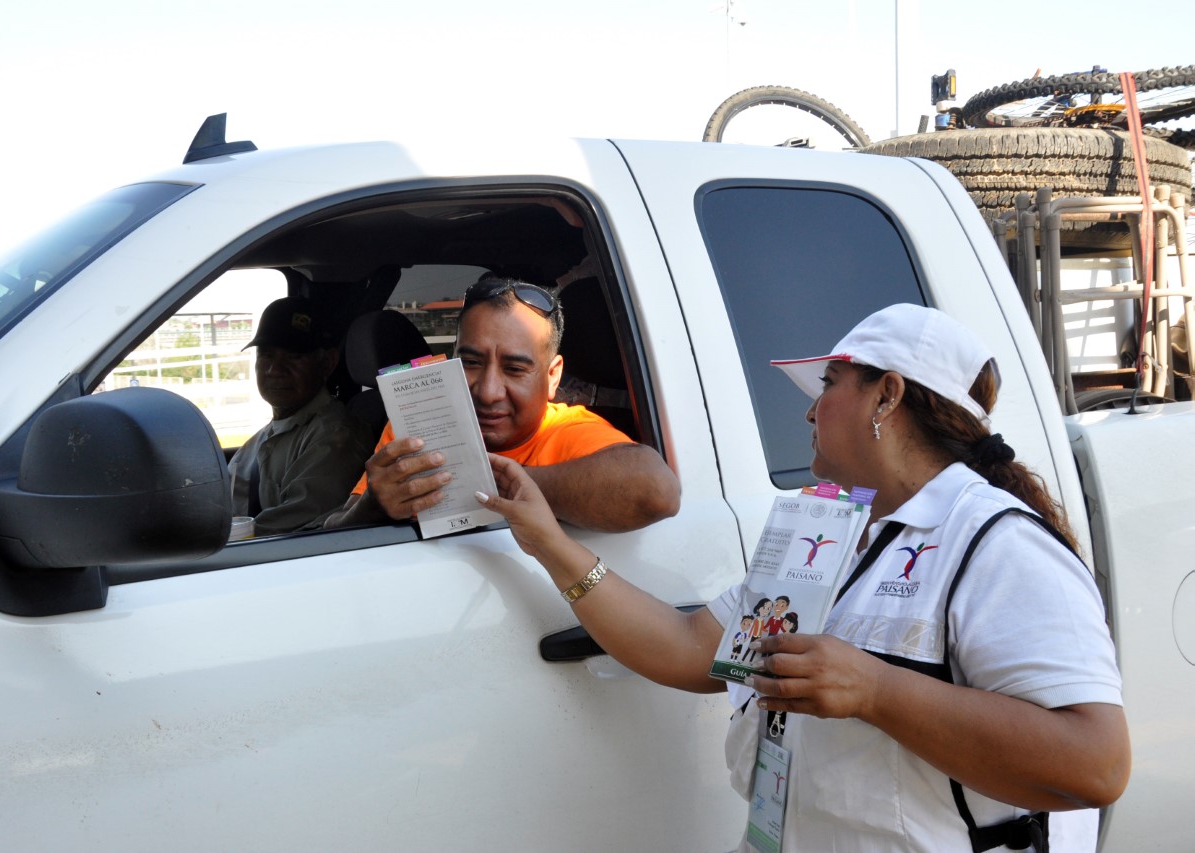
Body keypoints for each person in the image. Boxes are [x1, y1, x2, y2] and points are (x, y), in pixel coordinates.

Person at [475, 303, 1129, 852]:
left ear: (887, 395)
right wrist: (548, 543)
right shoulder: (825, 532)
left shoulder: (995, 540)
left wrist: (874, 689)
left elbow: (1097, 762)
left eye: (828, 386)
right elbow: (683, 645)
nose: (810, 413)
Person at [325, 274, 679, 532]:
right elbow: (335, 532)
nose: (488, 391)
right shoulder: (418, 424)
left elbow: (657, 491)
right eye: (471, 363)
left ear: (553, 376)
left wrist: (489, 483)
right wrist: (374, 505)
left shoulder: (566, 431)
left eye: (514, 369)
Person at [229, 296, 372, 536]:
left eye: (294, 356)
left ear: (327, 363)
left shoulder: (336, 438)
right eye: (266, 355)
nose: (275, 370)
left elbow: (292, 531)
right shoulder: (265, 436)